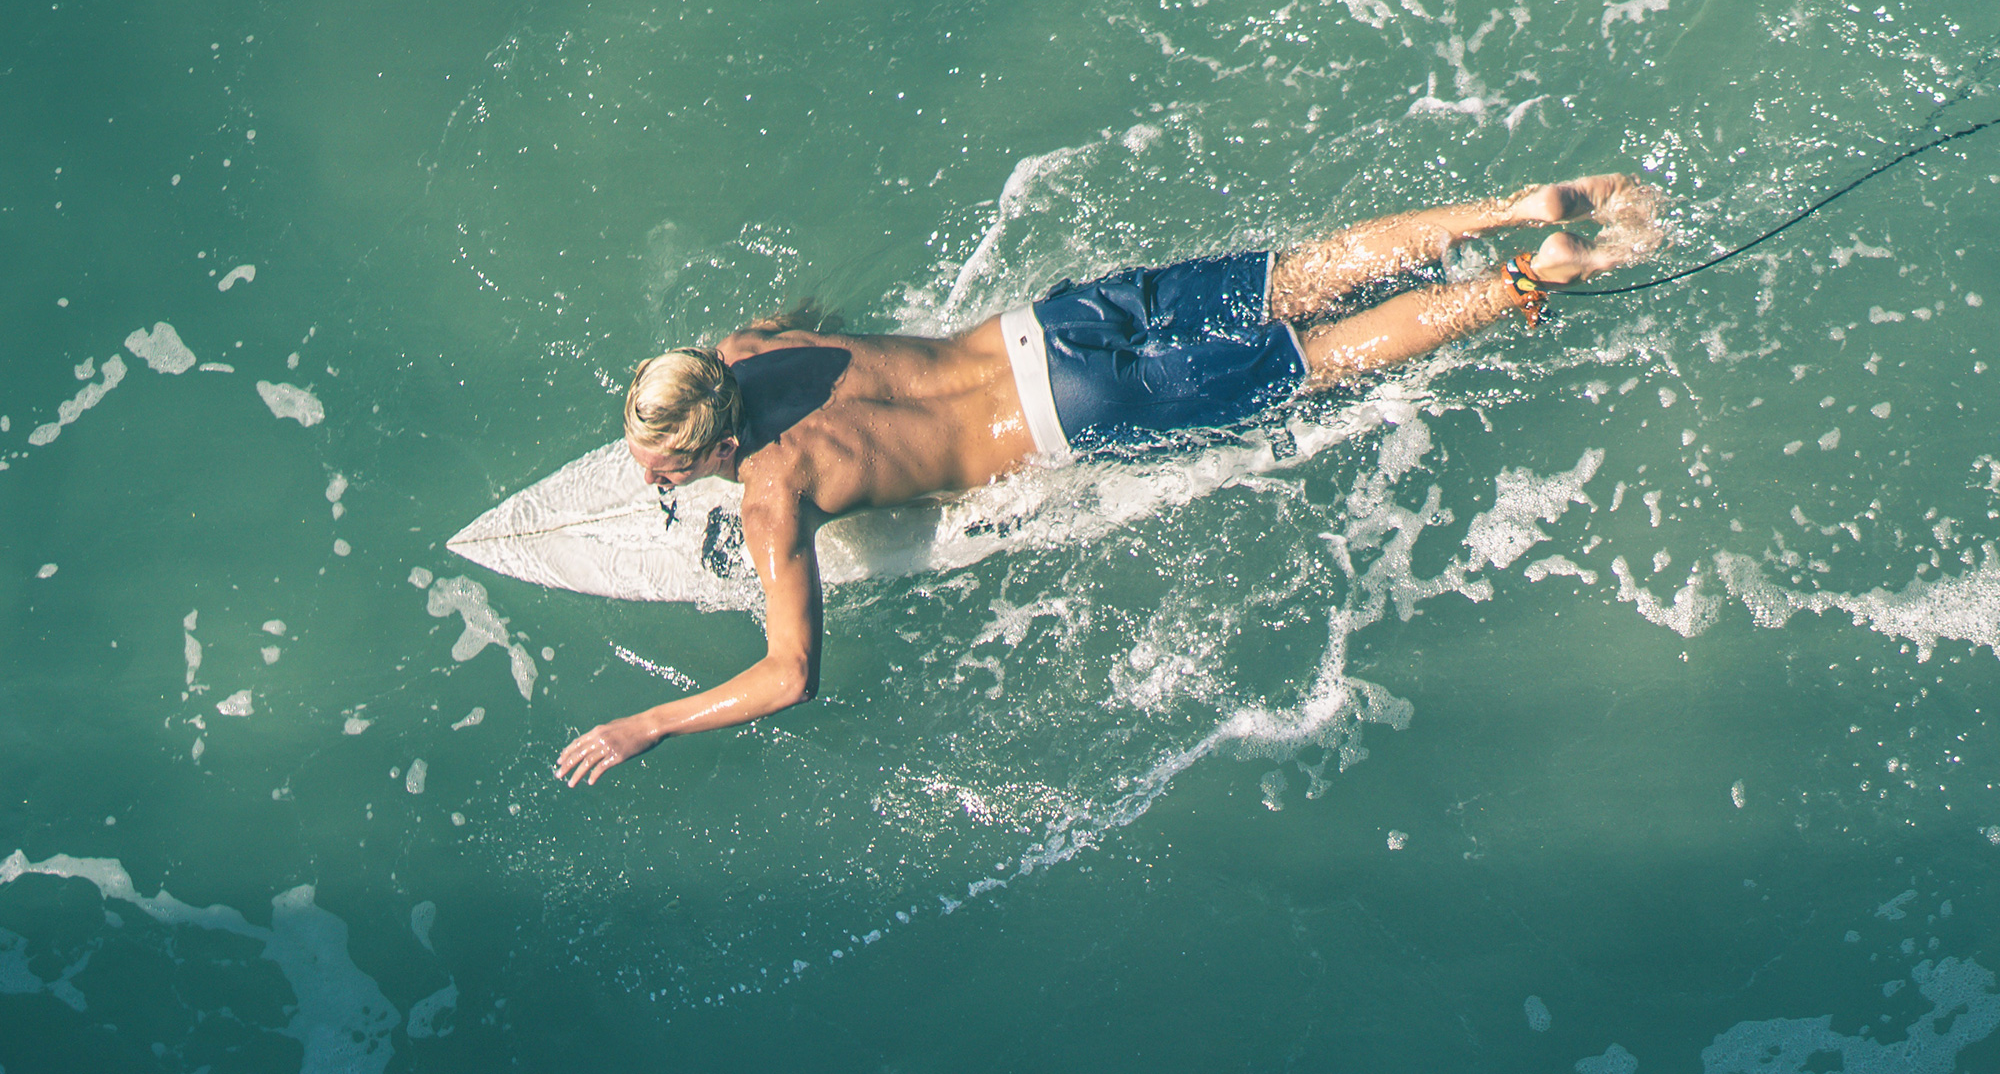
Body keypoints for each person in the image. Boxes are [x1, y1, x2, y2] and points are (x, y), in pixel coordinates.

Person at [555, 174, 1660, 785]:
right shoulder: (752, 347)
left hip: (1067, 417)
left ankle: (1531, 276)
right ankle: (1507, 207)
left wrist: (651, 723)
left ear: (710, 447)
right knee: (1301, 275)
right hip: (1055, 326)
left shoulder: (768, 497)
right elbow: (815, 322)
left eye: (661, 459)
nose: (651, 469)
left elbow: (789, 672)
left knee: (1322, 357)